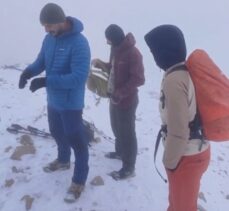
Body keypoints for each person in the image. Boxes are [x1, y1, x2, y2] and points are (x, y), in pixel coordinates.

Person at [18, 3, 91, 203]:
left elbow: (78, 77)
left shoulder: (79, 43)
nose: (46, 29)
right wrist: (28, 72)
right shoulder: (49, 39)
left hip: (71, 103)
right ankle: (63, 160)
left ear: (61, 21)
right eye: (44, 25)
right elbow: (41, 60)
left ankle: (78, 181)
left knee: (76, 139)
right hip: (53, 100)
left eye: (49, 25)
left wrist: (46, 81)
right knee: (57, 132)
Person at [144, 25, 210, 211]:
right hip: (197, 151)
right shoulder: (184, 71)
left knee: (181, 207)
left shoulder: (174, 80)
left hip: (186, 157)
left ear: (164, 51)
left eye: (154, 51)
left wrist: (169, 162)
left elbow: (179, 130)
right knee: (181, 203)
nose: (153, 56)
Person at [92, 24, 145, 180]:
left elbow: (139, 79)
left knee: (127, 133)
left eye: (108, 39)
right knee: (116, 127)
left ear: (114, 38)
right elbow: (113, 68)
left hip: (127, 100)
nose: (107, 42)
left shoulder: (134, 54)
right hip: (114, 97)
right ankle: (120, 152)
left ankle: (129, 167)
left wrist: (120, 93)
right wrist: (101, 63)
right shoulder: (115, 49)